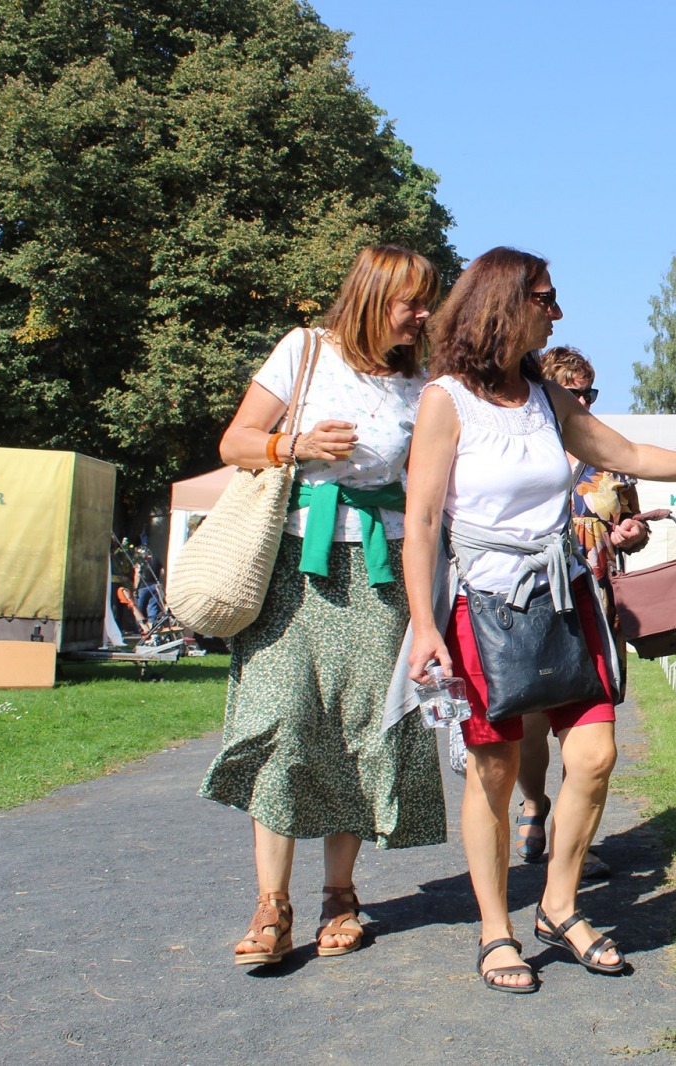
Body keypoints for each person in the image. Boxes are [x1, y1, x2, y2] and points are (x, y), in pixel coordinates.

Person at [402, 247, 676, 994]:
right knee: (495, 770)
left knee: (596, 755)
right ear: (506, 304)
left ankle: (560, 904)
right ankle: (494, 930)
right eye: (546, 296)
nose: (558, 310)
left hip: (564, 591)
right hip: (487, 600)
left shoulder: (545, 395)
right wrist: (424, 624)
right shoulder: (446, 400)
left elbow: (630, 452)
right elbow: (419, 523)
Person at [200, 244, 446, 967]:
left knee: (362, 727)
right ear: (374, 297)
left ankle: (340, 895)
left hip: (382, 574)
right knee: (280, 721)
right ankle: (270, 906)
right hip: (292, 569)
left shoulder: (423, 382)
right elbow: (234, 439)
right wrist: (294, 443)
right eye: (414, 302)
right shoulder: (304, 351)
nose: (424, 315)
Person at [513, 345, 648, 880]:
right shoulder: (522, 452)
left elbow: (633, 526)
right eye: (573, 389)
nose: (584, 399)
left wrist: (631, 534)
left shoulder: (604, 458)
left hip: (593, 606)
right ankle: (535, 804)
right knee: (528, 725)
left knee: (587, 734)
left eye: (589, 390)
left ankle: (573, 847)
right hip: (532, 603)